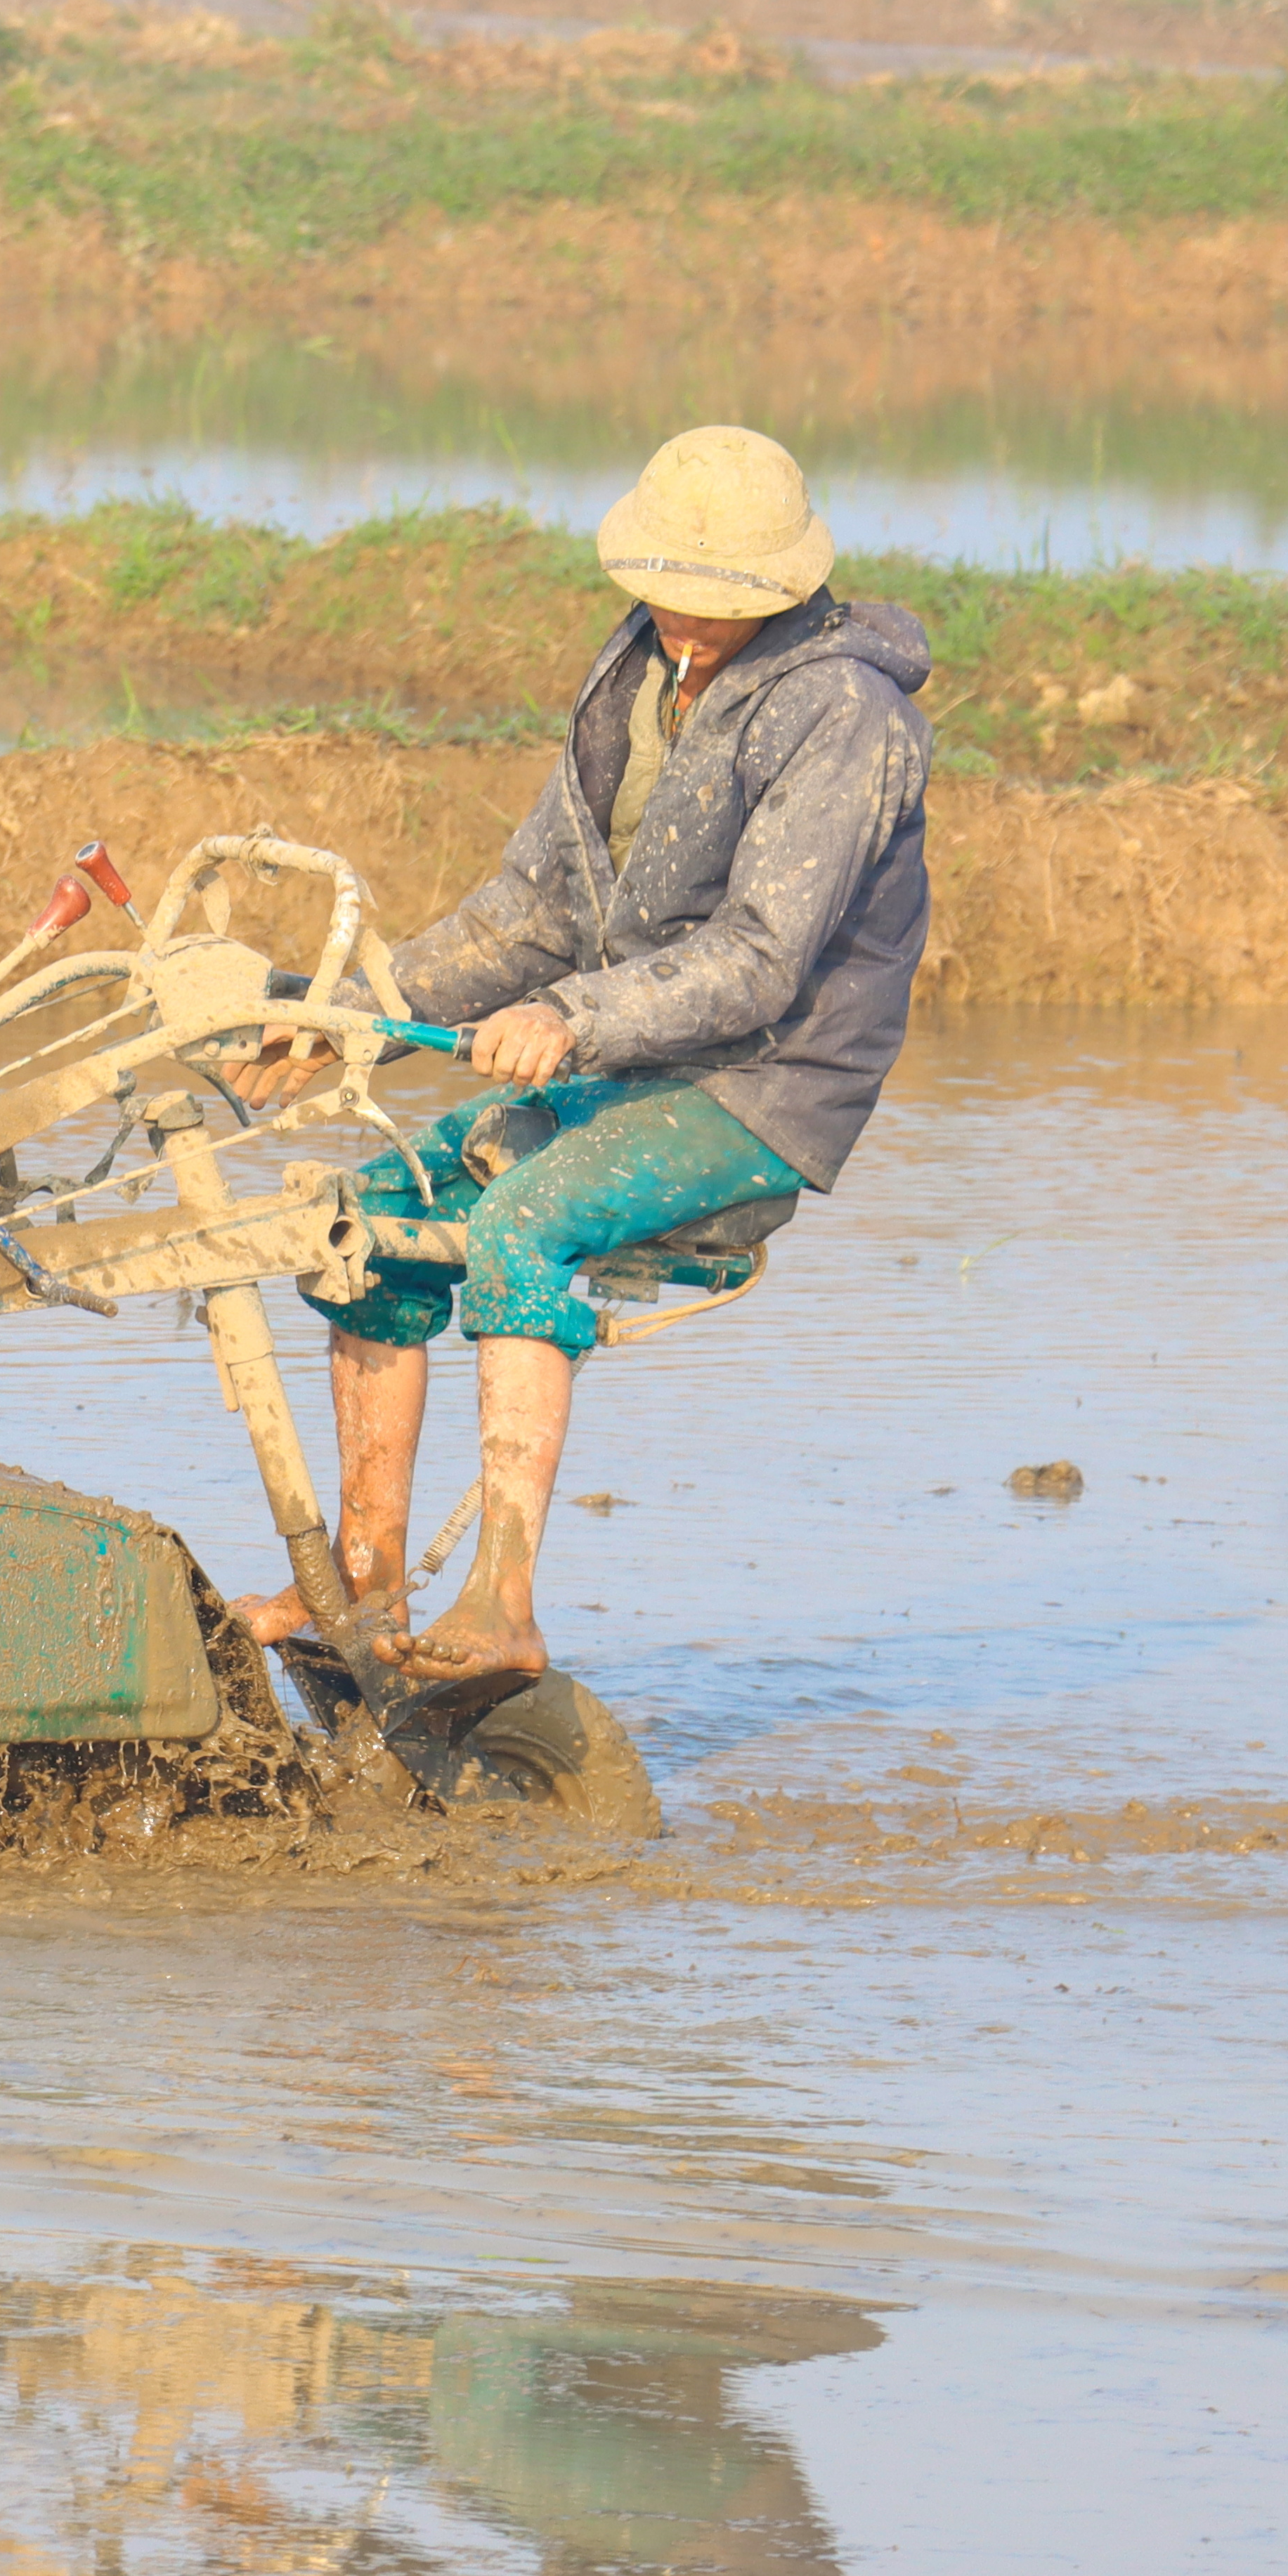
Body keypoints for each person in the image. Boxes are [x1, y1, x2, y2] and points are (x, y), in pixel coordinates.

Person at [230, 425, 932, 1678]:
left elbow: (766, 958)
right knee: (369, 1211)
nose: (684, 621)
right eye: (669, 595)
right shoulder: (635, 677)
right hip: (636, 1064)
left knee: (519, 1227)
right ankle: (365, 1586)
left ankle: (503, 1608)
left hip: (765, 1086)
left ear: (783, 591)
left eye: (717, 605)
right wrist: (352, 1014)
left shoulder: (845, 717)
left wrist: (575, 1019)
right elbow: (529, 914)